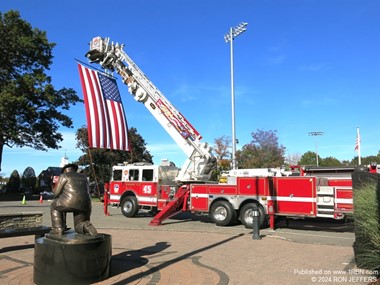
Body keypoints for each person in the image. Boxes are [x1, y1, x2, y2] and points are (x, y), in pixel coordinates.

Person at [50, 163, 97, 236]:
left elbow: (56, 193)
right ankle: (86, 225)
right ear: (74, 169)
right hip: (86, 204)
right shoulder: (84, 176)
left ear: (65, 170)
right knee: (78, 226)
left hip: (69, 202)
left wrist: (53, 187)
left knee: (54, 206)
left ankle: (58, 229)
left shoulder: (64, 176)